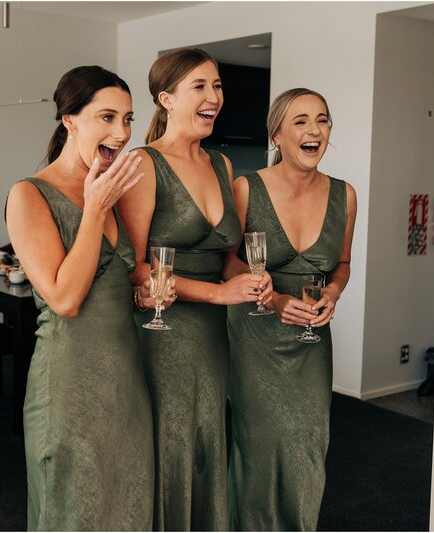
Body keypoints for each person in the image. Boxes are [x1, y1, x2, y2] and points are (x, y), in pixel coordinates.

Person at [5, 65, 172, 531]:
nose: (122, 133)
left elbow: (115, 283)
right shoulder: (29, 195)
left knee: (128, 510)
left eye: (128, 119)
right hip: (68, 385)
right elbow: (65, 299)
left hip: (125, 379)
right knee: (75, 515)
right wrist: (95, 207)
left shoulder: (113, 190)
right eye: (107, 117)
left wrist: (145, 292)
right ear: (70, 120)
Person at [117, 48, 272, 531]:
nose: (214, 97)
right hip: (163, 329)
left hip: (212, 334)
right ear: (166, 98)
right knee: (170, 443)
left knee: (208, 439)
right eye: (199, 87)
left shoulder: (222, 166)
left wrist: (245, 278)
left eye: (218, 86)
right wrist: (217, 295)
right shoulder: (142, 164)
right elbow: (136, 269)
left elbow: (224, 255)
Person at [224, 88, 358, 531]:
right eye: (300, 121)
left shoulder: (345, 195)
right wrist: (275, 298)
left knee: (308, 442)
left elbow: (341, 264)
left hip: (311, 341)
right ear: (277, 134)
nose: (314, 130)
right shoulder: (247, 188)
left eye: (322, 120)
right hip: (256, 333)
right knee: (259, 443)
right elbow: (226, 262)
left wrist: (333, 294)